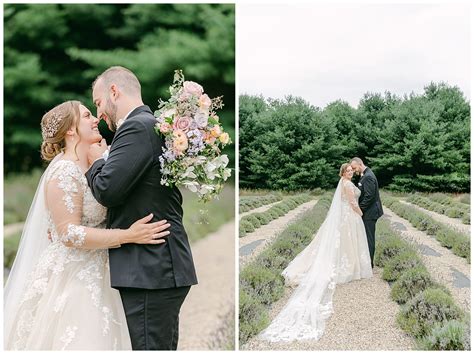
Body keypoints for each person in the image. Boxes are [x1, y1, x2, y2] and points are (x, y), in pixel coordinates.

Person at [4, 101, 171, 350]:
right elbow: (69, 234)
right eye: (87, 115)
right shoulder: (64, 172)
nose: (96, 120)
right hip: (74, 278)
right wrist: (128, 235)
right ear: (71, 130)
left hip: (103, 271)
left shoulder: (97, 163)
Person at [86, 66, 198, 350]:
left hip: (150, 269)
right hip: (156, 268)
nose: (98, 113)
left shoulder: (137, 126)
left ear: (114, 91)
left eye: (98, 103)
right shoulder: (152, 124)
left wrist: (97, 160)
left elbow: (108, 191)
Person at [259, 163, 372, 342]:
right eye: (348, 171)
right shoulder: (347, 185)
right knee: (346, 244)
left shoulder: (344, 183)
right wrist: (360, 214)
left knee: (344, 245)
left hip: (345, 217)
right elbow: (351, 202)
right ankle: (349, 268)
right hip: (349, 216)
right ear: (343, 173)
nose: (350, 172)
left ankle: (350, 266)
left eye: (351, 170)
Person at [350, 157, 383, 268]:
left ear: (360, 164)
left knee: (369, 238)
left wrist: (359, 210)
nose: (353, 170)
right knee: (365, 236)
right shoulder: (365, 174)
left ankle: (369, 264)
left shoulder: (368, 176)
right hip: (368, 211)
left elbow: (369, 197)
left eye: (354, 168)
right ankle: (366, 262)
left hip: (370, 212)